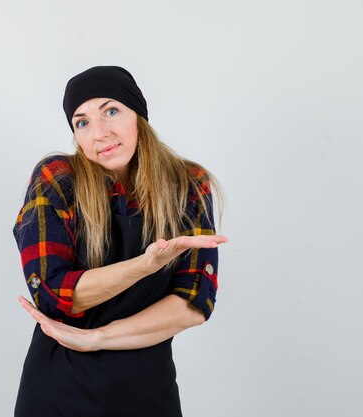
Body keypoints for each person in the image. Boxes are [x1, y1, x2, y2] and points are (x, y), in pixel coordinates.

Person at [12, 65, 228, 417]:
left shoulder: (188, 184)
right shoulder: (57, 178)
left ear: (138, 116)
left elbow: (193, 303)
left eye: (111, 111)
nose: (99, 133)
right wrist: (144, 265)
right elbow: (54, 295)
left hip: (148, 388)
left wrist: (97, 338)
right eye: (82, 122)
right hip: (59, 388)